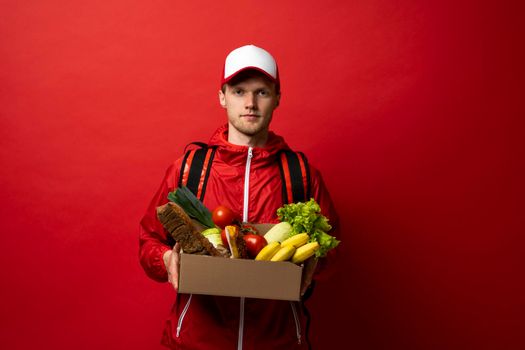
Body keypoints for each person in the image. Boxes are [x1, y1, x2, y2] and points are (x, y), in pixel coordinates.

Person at [139, 44, 339, 349]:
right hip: (197, 342)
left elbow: (332, 248)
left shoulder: (301, 174)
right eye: (238, 91)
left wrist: (315, 264)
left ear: (277, 99)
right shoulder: (190, 170)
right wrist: (167, 259)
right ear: (222, 97)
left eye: (262, 92)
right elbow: (148, 242)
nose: (250, 103)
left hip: (278, 341)